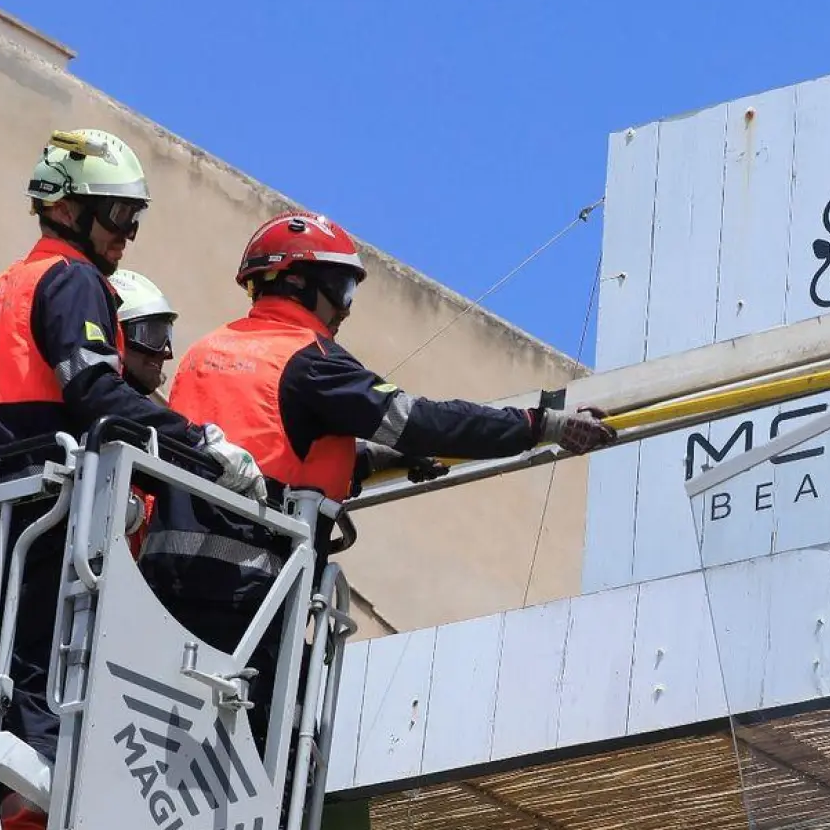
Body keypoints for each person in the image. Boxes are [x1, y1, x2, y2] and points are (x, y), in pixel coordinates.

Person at [137, 210, 618, 756]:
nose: (345, 308)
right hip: (250, 594)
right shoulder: (311, 360)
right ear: (300, 282)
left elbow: (265, 450)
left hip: (163, 587)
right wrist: (539, 425)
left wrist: (365, 460)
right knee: (269, 761)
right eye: (341, 288)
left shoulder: (206, 352)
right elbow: (418, 419)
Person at [0, 129, 264, 828]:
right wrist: (204, 448)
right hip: (43, 513)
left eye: (133, 219)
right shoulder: (73, 281)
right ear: (69, 207)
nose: (128, 234)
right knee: (41, 688)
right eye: (119, 216)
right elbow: (97, 396)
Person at [107, 267, 179, 557]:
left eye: (166, 336)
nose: (164, 352)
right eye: (151, 335)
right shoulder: (89, 419)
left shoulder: (152, 432)